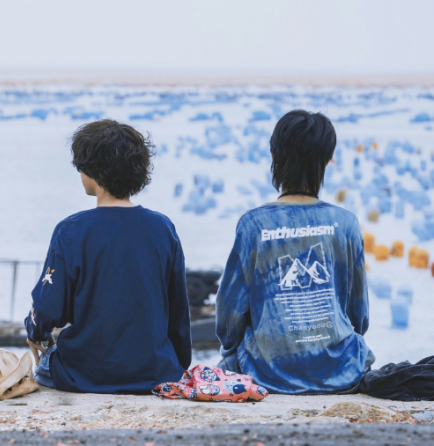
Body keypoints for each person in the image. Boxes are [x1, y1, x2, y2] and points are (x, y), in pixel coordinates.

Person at [25, 119, 191, 394]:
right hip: (156, 372)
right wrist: (177, 363)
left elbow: (48, 308)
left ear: (91, 171)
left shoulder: (70, 231)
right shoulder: (163, 228)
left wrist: (34, 332)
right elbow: (178, 311)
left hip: (82, 373)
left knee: (44, 364)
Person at [216, 110, 372, 394]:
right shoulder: (346, 223)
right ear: (327, 159)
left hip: (267, 372)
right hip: (339, 368)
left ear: (274, 156)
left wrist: (232, 349)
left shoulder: (254, 225)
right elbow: (359, 316)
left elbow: (229, 316)